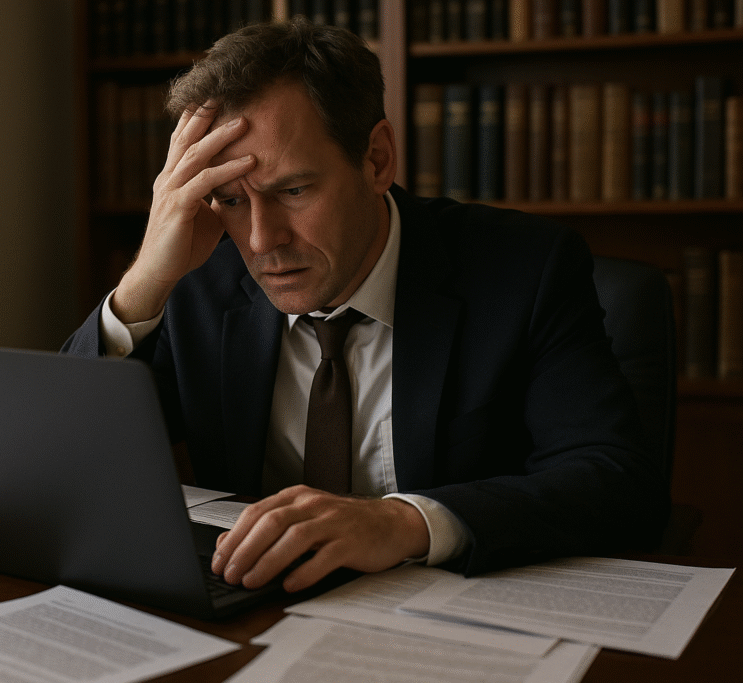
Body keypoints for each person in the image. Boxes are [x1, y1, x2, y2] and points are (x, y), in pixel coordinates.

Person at [63, 18, 669, 593]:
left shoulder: (523, 270)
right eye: (230, 199)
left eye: (293, 190)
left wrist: (402, 523)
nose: (261, 239)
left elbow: (615, 481)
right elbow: (62, 461)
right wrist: (144, 281)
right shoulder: (197, 278)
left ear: (377, 159)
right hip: (255, 616)